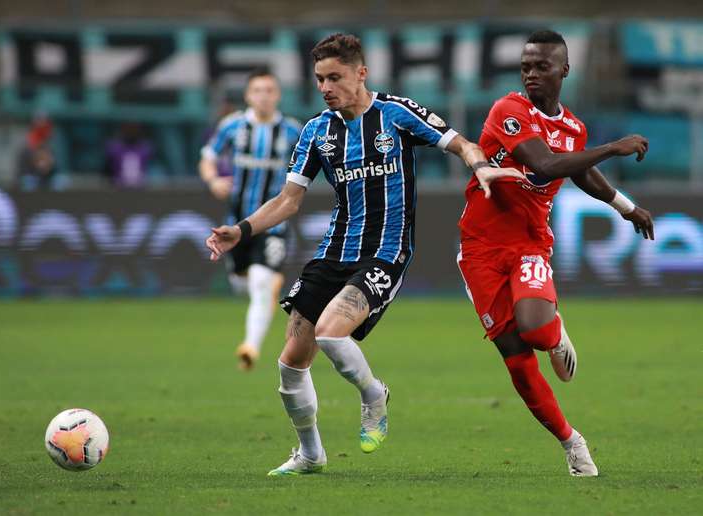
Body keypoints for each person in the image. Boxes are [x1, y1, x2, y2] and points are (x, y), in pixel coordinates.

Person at [206, 33, 523, 476]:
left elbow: (461, 143)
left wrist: (480, 163)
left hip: (386, 251)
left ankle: (374, 395)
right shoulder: (317, 130)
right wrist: (240, 230)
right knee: (290, 363)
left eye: (334, 77)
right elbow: (287, 200)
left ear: (361, 73)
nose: (325, 87)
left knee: (334, 334)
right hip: (334, 251)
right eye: (319, 79)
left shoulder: (396, 114)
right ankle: (310, 454)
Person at [456, 29, 655, 477]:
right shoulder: (508, 110)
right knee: (515, 355)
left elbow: (580, 172)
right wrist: (611, 148)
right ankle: (571, 441)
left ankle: (553, 329)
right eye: (525, 66)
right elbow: (546, 165)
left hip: (528, 242)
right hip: (480, 249)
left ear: (564, 70)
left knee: (535, 330)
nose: (531, 74)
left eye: (541, 67)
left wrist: (625, 207)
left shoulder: (573, 128)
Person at [199, 68, 303, 370]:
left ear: (278, 95)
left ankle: (250, 348)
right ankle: (268, 288)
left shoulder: (292, 131)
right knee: (242, 284)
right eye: (257, 90)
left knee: (260, 282)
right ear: (248, 95)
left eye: (269, 90)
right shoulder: (232, 127)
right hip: (236, 225)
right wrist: (213, 180)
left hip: (274, 224)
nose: (264, 96)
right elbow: (207, 157)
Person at [103, 122, 153, 189]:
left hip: (140, 186)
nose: (131, 132)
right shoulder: (114, 148)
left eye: (134, 129)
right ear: (123, 130)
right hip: (118, 186)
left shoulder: (145, 148)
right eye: (129, 129)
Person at [16, 115, 57, 191]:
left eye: (45, 127)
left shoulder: (50, 147)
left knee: (60, 181)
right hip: (30, 177)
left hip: (47, 178)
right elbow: (22, 170)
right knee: (28, 182)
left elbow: (54, 169)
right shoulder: (26, 147)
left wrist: (49, 167)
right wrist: (36, 166)